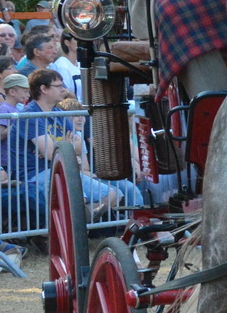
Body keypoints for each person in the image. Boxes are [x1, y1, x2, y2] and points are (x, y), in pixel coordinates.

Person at [8, 69, 140, 215]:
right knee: (78, 198)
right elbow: (52, 153)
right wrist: (63, 147)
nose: (63, 89)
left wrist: (62, 148)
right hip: (35, 173)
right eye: (58, 86)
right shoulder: (30, 115)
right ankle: (78, 225)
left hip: (63, 169)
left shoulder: (59, 113)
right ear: (43, 89)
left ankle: (84, 219)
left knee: (112, 195)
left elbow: (77, 147)